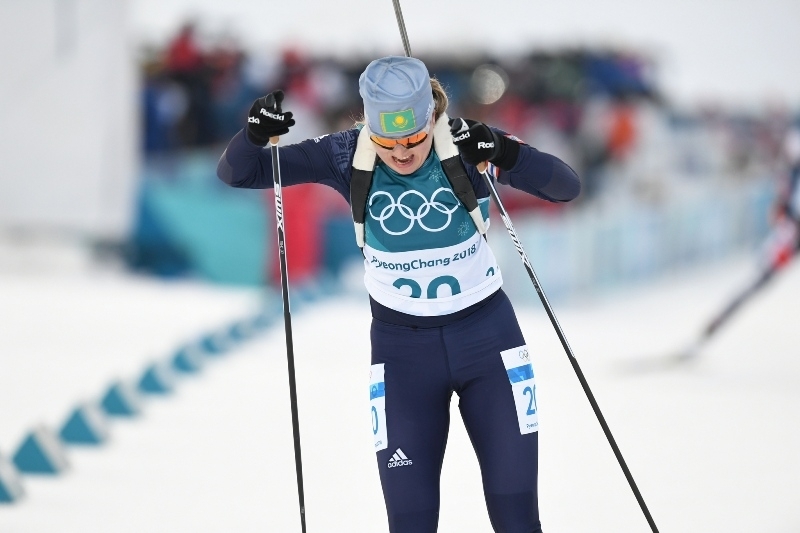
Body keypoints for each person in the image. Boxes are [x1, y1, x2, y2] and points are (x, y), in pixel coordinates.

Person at [216, 56, 580, 533]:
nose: (402, 153)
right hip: (403, 356)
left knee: (516, 518)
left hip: (489, 343)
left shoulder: (464, 143)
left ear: (431, 117)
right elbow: (239, 174)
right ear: (369, 125)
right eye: (387, 141)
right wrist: (253, 136)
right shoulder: (345, 154)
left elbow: (566, 187)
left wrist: (506, 153)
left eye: (413, 138)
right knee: (410, 523)